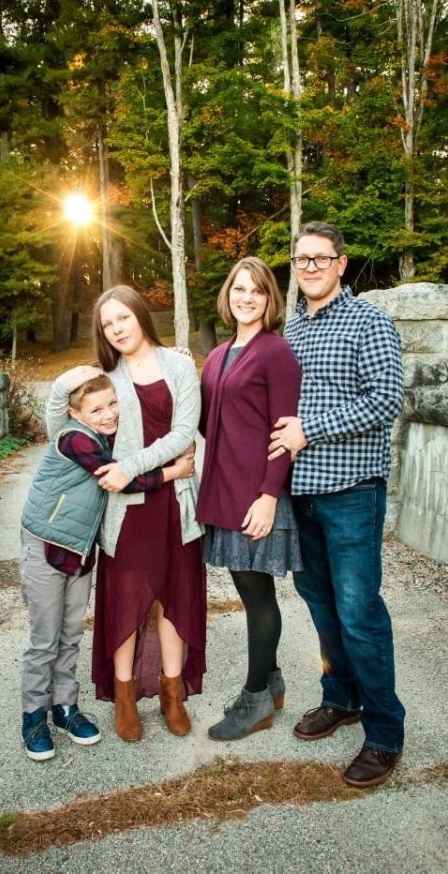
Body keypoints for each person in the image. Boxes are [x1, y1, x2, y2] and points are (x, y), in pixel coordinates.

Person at [268, 221, 406, 787]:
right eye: (301, 260)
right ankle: (340, 697)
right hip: (300, 497)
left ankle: (384, 733)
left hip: (351, 493)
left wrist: (312, 430)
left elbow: (386, 400)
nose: (310, 268)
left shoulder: (368, 321)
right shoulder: (292, 327)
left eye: (320, 259)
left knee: (359, 613)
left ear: (342, 264)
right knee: (323, 609)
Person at [46, 286, 206, 742]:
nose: (117, 328)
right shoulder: (105, 378)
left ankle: (173, 693)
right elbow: (60, 428)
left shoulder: (178, 364)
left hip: (175, 498)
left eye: (123, 318)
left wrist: (132, 465)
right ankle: (124, 695)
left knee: (175, 596)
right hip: (126, 507)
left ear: (140, 315)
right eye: (107, 323)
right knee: (125, 600)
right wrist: (67, 381)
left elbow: (183, 432)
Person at [20, 366, 195, 761]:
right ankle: (33, 716)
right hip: (46, 545)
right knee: (45, 639)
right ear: (77, 413)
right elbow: (122, 480)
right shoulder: (75, 438)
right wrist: (175, 471)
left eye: (113, 404)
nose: (109, 414)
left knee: (70, 634)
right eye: (97, 408)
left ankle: (65, 708)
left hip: (81, 550)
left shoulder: (104, 436)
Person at [196, 257, 303, 740]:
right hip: (225, 493)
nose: (246, 297)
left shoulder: (275, 352)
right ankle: (273, 681)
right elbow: (205, 423)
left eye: (257, 291)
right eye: (239, 288)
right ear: (228, 294)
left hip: (256, 496)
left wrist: (268, 496)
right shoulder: (218, 355)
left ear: (269, 299)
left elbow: (285, 432)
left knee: (257, 597)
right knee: (249, 592)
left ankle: (256, 698)